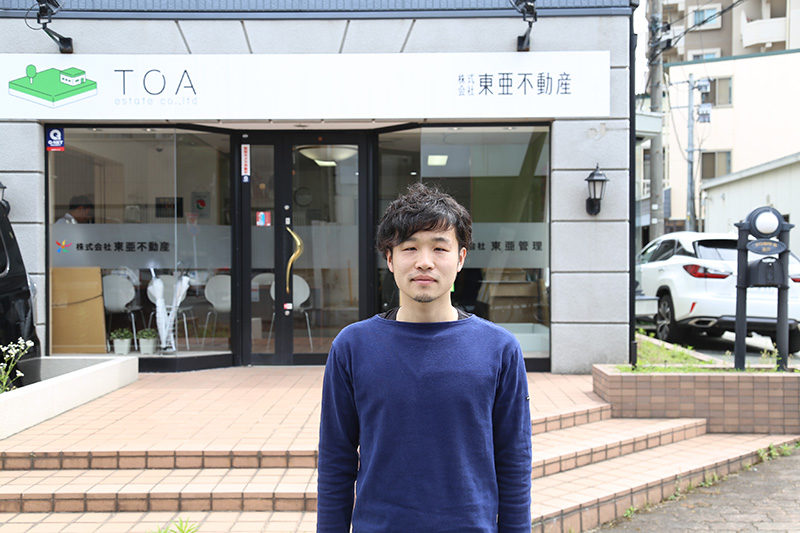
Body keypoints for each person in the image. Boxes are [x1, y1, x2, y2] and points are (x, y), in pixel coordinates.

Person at [318, 183, 532, 532]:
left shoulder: (499, 349)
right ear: (390, 259)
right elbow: (336, 459)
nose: (424, 262)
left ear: (461, 258)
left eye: (439, 248)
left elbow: (514, 460)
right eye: (410, 247)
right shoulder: (353, 346)